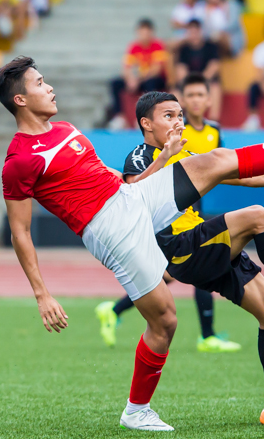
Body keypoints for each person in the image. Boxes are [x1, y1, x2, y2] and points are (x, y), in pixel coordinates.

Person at [0, 55, 264, 430]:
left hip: (128, 201)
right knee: (165, 322)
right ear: (20, 100)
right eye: (39, 83)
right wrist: (42, 294)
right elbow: (20, 232)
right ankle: (136, 411)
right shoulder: (19, 160)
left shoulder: (67, 129)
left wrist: (161, 163)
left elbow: (116, 180)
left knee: (216, 160)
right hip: (109, 228)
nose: (49, 87)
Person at [96, 73, 242, 353]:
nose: (197, 101)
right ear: (184, 99)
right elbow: (137, 187)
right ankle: (207, 335)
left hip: (192, 205)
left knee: (168, 275)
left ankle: (114, 310)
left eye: (202, 95)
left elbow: (219, 166)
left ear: (209, 100)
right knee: (198, 264)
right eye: (192, 96)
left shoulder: (213, 131)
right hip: (168, 210)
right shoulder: (155, 144)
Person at [107, 19, 168, 129]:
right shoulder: (134, 46)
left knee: (150, 84)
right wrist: (130, 79)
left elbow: (156, 70)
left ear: (151, 33)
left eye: (146, 33)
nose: (144, 36)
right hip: (138, 79)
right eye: (141, 33)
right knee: (115, 83)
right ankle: (119, 116)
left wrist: (138, 79)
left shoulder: (157, 45)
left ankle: (144, 116)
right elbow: (126, 67)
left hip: (154, 79)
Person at [176, 20, 222, 120]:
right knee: (175, 90)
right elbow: (181, 70)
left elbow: (214, 66)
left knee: (215, 87)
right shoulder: (183, 49)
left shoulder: (210, 46)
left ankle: (214, 119)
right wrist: (190, 83)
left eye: (195, 32)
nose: (193, 35)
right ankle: (179, 120)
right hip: (188, 82)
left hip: (207, 81)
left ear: (200, 32)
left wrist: (200, 81)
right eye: (191, 32)